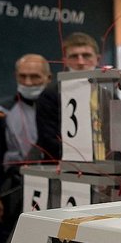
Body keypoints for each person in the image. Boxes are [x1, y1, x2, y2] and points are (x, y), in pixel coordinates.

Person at [0, 53, 52, 243]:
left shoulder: (61, 109)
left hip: (55, 189)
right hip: (13, 192)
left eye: (35, 77)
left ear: (48, 78)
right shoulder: (1, 111)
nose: (28, 82)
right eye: (23, 76)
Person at [35, 32, 101, 161]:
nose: (81, 62)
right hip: (63, 165)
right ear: (65, 60)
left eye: (86, 56)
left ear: (97, 59)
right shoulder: (50, 95)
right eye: (74, 56)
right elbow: (49, 140)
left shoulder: (107, 93)